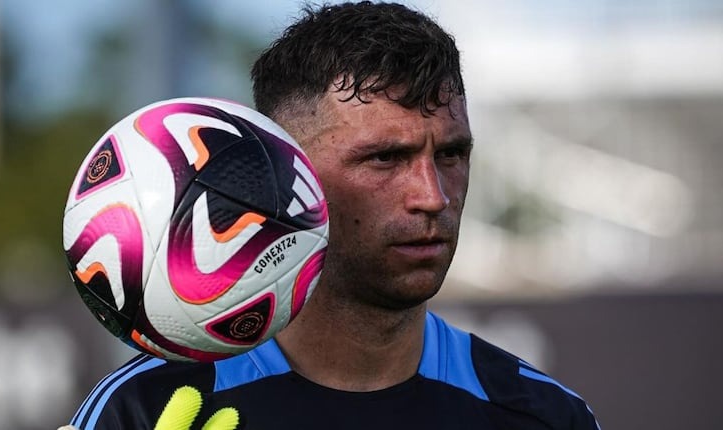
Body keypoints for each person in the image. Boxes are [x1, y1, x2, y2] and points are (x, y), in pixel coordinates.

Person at [65, 2, 600, 429]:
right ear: (287, 173)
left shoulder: (543, 415)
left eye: (451, 155)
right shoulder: (147, 410)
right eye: (384, 158)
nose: (432, 196)